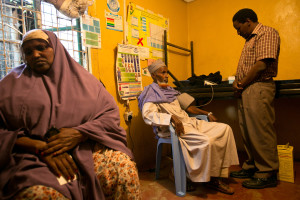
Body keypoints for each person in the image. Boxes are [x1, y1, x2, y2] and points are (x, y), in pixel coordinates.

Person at [0, 29, 140, 200]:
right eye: (28, 52)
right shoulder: (9, 86)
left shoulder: (84, 81)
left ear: (56, 48)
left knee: (123, 170)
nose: (35, 55)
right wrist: (39, 147)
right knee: (39, 194)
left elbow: (109, 115)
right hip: (33, 157)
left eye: (41, 47)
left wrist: (80, 133)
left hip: (84, 149)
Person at [138, 60, 239, 195]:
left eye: (167, 72)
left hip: (189, 122)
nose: (167, 75)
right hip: (173, 129)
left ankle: (216, 174)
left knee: (225, 129)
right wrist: (171, 118)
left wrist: (207, 113)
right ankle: (201, 177)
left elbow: (189, 107)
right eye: (163, 72)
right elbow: (148, 115)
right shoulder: (150, 93)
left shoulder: (171, 90)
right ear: (154, 75)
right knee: (206, 141)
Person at [230, 8, 280, 189]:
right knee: (248, 131)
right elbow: (248, 65)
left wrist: (241, 83)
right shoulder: (249, 40)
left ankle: (267, 172)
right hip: (247, 89)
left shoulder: (266, 33)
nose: (238, 32)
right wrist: (237, 82)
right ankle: (252, 166)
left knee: (260, 131)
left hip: (258, 87)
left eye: (238, 28)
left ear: (248, 21)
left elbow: (261, 65)